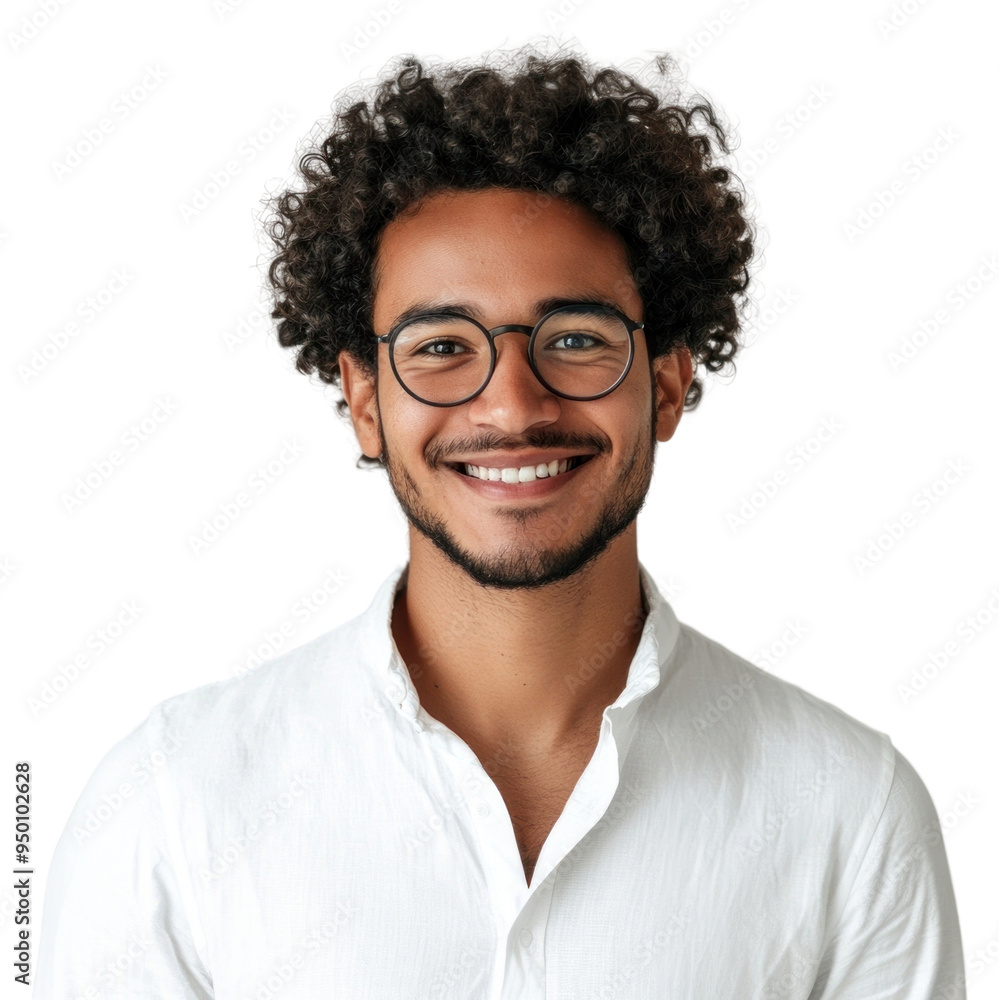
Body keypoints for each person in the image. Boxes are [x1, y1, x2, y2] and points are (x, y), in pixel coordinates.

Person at [35, 45, 965, 998]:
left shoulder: (850, 811)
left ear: (670, 381)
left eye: (574, 339)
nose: (512, 406)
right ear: (363, 399)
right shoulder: (169, 804)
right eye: (440, 346)